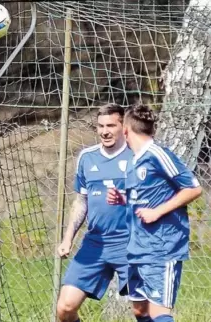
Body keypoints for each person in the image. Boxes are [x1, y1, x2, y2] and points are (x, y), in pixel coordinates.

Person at [107, 104, 202, 322]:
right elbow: (141, 200)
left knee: (159, 312)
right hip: (137, 248)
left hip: (162, 248)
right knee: (140, 310)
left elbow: (193, 188)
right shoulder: (134, 161)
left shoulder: (158, 154)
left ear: (125, 131)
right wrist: (122, 199)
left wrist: (157, 212)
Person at [56, 103, 133, 322]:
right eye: (100, 126)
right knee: (64, 308)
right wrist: (67, 239)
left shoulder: (137, 156)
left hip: (131, 242)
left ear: (123, 127)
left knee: (144, 311)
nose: (105, 131)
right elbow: (81, 201)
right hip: (95, 243)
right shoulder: (87, 158)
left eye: (110, 125)